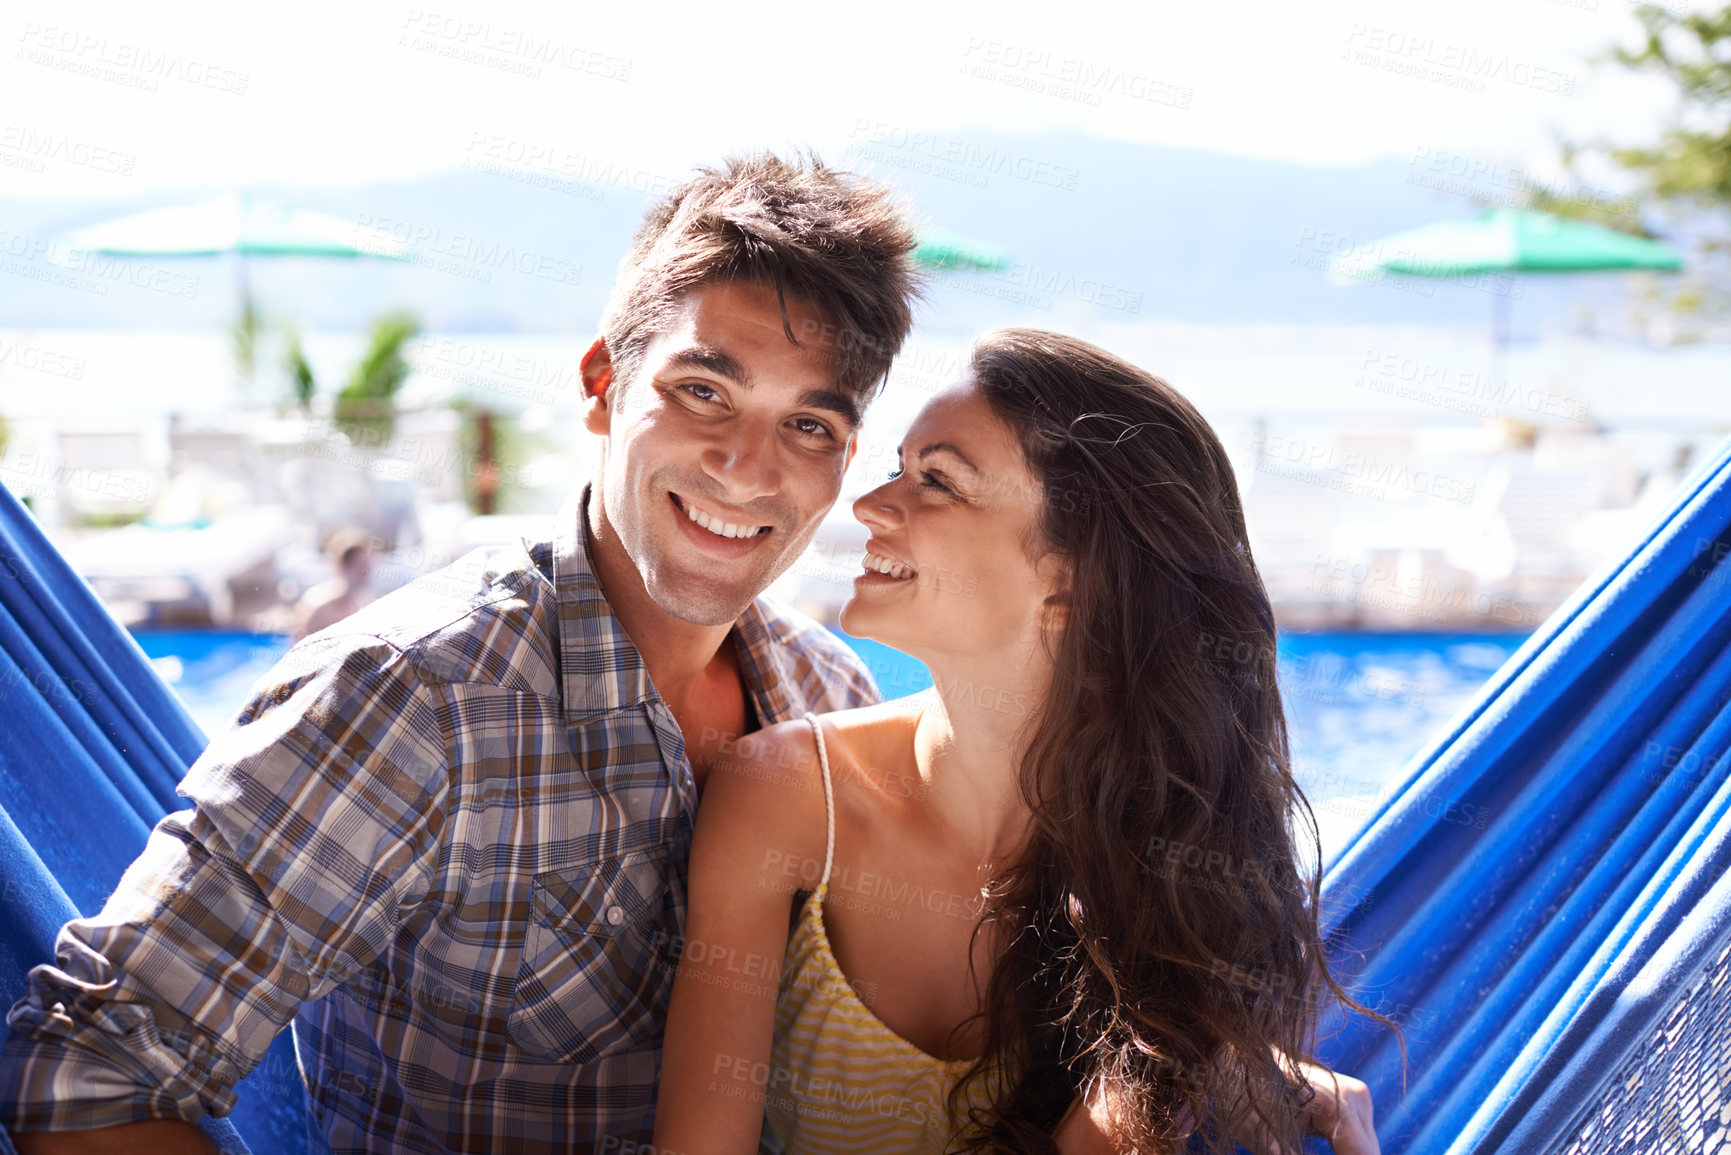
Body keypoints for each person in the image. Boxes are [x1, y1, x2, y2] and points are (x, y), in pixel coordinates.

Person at [0, 151, 923, 1154]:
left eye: (809, 423)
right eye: (705, 391)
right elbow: (89, 1072)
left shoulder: (830, 694)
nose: (748, 469)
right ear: (602, 386)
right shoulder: (411, 698)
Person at [652, 329, 1390, 1155]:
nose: (869, 505)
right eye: (899, 466)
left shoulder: (1160, 868)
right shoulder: (786, 797)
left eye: (937, 482)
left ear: (1071, 583)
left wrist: (1210, 1058)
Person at [293, 526, 377, 640]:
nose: (366, 573)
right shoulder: (318, 604)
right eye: (360, 566)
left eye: (368, 566)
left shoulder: (365, 602)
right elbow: (296, 649)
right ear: (342, 565)